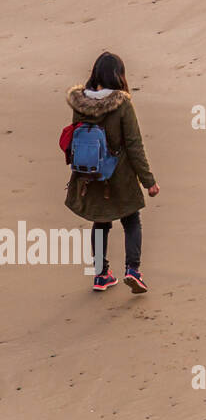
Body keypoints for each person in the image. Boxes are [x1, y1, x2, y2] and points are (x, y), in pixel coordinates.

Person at [64, 52, 159, 293]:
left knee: (101, 222)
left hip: (91, 175)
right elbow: (134, 144)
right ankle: (133, 270)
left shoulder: (80, 104)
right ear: (118, 75)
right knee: (131, 220)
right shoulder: (122, 103)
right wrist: (149, 181)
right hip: (120, 175)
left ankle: (101, 274)